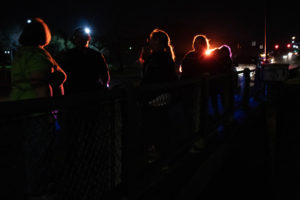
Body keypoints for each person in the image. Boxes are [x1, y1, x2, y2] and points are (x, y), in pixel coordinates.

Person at [9, 17, 66, 199]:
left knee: (26, 150)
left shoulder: (21, 54)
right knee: (39, 151)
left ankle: (28, 186)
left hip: (20, 106)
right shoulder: (37, 55)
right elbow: (38, 82)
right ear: (43, 35)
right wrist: (48, 112)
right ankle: (38, 190)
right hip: (37, 109)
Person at [139, 28, 179, 163]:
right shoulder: (152, 57)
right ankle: (157, 154)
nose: (150, 43)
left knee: (156, 127)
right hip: (153, 96)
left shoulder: (163, 58)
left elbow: (163, 78)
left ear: (160, 43)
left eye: (153, 40)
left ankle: (159, 156)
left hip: (158, 97)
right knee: (155, 127)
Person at [58, 27, 110, 95]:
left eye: (82, 36)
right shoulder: (96, 55)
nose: (81, 39)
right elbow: (105, 76)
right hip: (85, 91)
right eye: (79, 37)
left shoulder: (67, 55)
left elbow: (105, 75)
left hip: (77, 92)